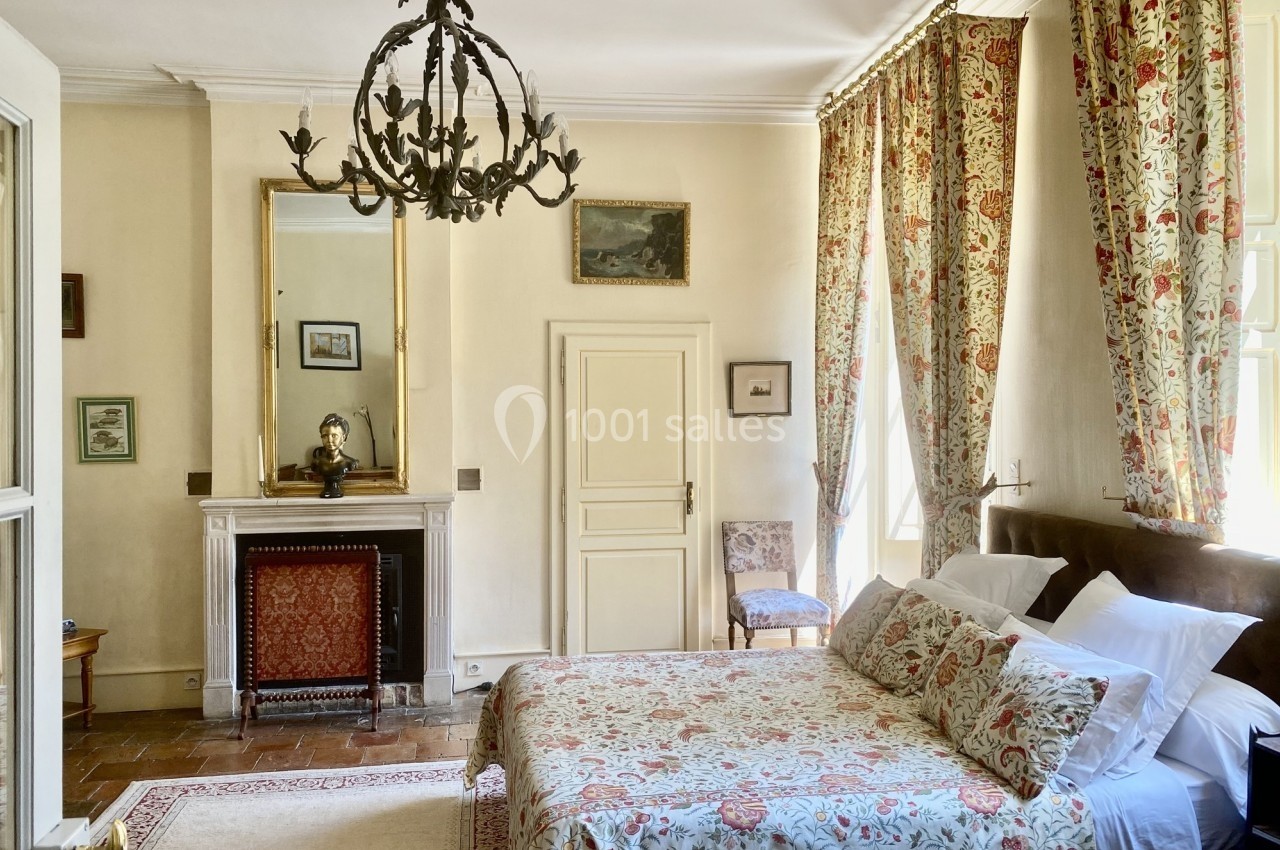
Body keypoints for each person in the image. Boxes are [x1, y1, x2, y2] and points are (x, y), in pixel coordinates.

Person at [310, 412, 359, 498]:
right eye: (325, 436)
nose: (329, 440)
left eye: (334, 436)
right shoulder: (316, 463)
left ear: (343, 437)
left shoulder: (350, 463)